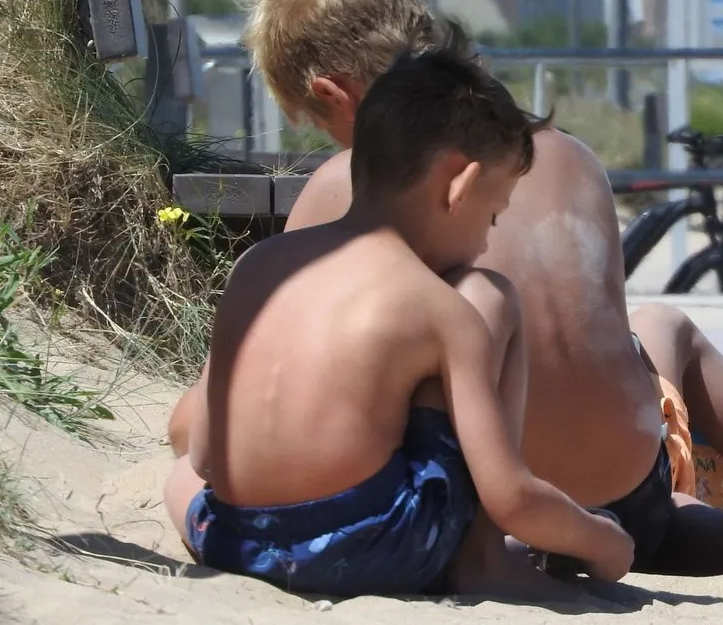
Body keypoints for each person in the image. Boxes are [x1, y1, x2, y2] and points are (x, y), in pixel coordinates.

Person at [169, 0, 723, 582]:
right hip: (621, 486)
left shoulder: (341, 190)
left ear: (334, 95)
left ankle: (702, 526)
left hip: (479, 503)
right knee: (664, 329)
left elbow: (211, 418)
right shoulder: (569, 157)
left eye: (317, 124)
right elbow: (592, 334)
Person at [162, 46, 635, 600]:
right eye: (493, 214)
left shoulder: (255, 266)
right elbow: (513, 499)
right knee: (493, 293)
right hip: (376, 552)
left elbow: (205, 456)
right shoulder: (442, 310)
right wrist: (605, 542)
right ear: (459, 186)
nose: (486, 242)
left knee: (180, 479)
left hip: (234, 542)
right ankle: (485, 557)